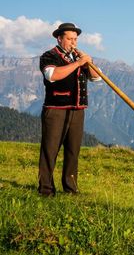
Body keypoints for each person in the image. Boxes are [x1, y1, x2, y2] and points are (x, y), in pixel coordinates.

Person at [38, 22, 101, 196]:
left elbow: (96, 79)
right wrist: (78, 63)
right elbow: (52, 75)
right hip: (56, 109)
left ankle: (71, 189)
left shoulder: (79, 57)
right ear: (59, 38)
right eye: (70, 39)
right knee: (50, 150)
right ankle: (46, 190)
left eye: (75, 39)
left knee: (73, 150)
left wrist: (88, 63)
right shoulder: (49, 56)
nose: (74, 42)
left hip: (77, 110)